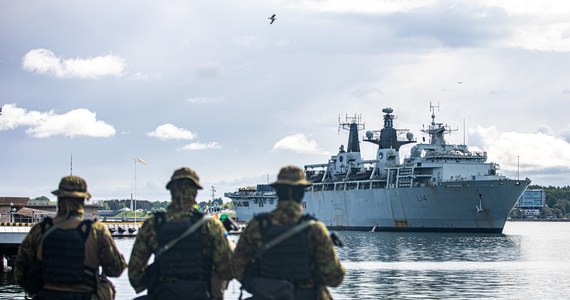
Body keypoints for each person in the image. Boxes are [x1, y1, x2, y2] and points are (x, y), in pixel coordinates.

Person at [232, 165, 345, 300]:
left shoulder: (257, 226)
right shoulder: (315, 230)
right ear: (302, 193)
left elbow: (236, 267)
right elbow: (335, 277)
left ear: (277, 192)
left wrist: (262, 288)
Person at [128, 167, 234, 300]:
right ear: (195, 192)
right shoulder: (210, 225)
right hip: (200, 295)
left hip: (163, 294)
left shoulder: (153, 225)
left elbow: (134, 274)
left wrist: (152, 280)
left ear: (171, 191)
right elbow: (227, 270)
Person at [14, 175, 127, 299]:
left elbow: (20, 272)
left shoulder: (39, 231)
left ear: (59, 199)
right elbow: (115, 269)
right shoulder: (97, 231)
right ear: (83, 201)